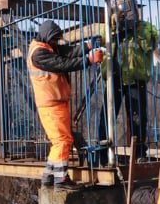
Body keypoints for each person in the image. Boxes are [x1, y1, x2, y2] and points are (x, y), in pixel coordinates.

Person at [27, 20, 103, 191]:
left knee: (58, 141)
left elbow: (68, 52)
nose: (56, 43)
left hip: (55, 101)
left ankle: (48, 177)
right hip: (51, 103)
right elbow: (63, 64)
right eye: (54, 40)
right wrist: (88, 60)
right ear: (47, 37)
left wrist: (87, 45)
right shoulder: (39, 53)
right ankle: (60, 180)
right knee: (63, 141)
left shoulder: (47, 46)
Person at [98, 0, 159, 165]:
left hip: (135, 78)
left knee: (137, 117)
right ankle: (103, 153)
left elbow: (151, 43)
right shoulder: (110, 25)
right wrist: (114, 26)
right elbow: (102, 39)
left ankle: (139, 152)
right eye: (121, 8)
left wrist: (136, 28)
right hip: (114, 77)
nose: (124, 12)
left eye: (127, 8)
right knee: (107, 116)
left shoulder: (145, 27)